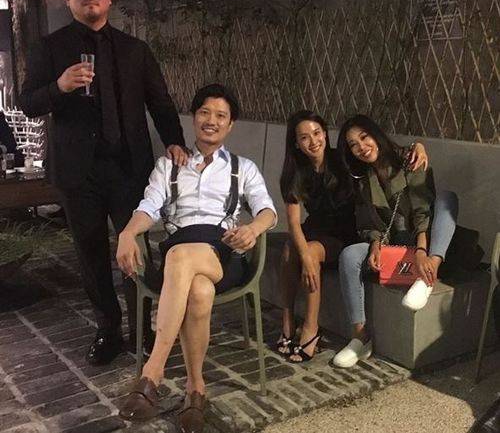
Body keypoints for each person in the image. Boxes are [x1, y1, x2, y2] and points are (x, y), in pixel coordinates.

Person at [19, 0, 187, 365]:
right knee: (91, 253)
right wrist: (59, 86)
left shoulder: (135, 50)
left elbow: (160, 102)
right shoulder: (50, 48)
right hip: (79, 172)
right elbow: (28, 103)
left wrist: (175, 142)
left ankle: (142, 328)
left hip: (129, 167)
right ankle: (107, 330)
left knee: (135, 248)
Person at [116, 84, 276, 430]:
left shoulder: (243, 168)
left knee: (179, 257)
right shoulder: (168, 165)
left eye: (220, 115)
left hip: (223, 254)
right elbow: (149, 207)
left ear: (230, 125)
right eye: (205, 112)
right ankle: (196, 389)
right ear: (194, 117)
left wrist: (253, 229)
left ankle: (152, 373)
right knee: (199, 291)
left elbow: (267, 210)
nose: (211, 121)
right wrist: (127, 232)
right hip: (182, 254)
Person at [277, 110, 428, 363]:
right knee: (289, 249)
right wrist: (302, 253)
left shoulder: (342, 160)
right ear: (296, 143)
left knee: (309, 253)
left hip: (346, 233)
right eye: (304, 137)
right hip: (317, 230)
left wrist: (417, 146)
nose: (313, 141)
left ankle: (311, 328)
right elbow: (293, 222)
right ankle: (287, 320)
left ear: (325, 133)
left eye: (317, 133)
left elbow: (381, 154)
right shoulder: (295, 171)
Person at [333, 114, 458, 368]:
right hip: (391, 243)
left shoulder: (410, 160)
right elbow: (368, 222)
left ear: (375, 134)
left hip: (423, 239)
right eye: (353, 144)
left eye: (364, 137)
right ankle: (360, 338)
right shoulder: (362, 179)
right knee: (349, 255)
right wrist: (375, 245)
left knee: (447, 199)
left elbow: (422, 211)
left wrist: (422, 252)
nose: (361, 147)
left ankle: (428, 275)